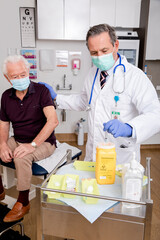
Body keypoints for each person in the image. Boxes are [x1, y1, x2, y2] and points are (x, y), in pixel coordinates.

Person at [39, 23, 160, 164]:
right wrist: (57, 98)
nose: (99, 57)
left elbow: (156, 115)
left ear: (116, 45)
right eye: (94, 53)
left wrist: (130, 128)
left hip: (120, 157)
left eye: (104, 50)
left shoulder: (135, 77)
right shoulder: (92, 73)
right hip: (94, 152)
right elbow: (84, 101)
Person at [0, 55, 59, 222]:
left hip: (44, 142)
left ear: (29, 72)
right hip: (18, 138)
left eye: (22, 74)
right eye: (14, 76)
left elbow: (53, 121)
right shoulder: (6, 96)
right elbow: (4, 124)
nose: (20, 79)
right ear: (7, 78)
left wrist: (32, 145)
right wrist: (3, 144)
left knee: (22, 156)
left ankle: (23, 202)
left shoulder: (41, 91)